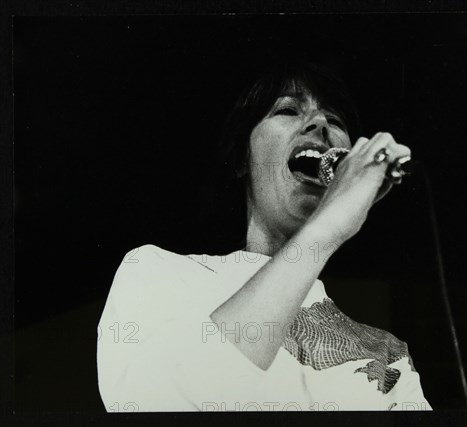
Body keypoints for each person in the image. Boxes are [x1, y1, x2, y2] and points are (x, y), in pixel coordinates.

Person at [97, 61, 432, 412]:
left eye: (335, 120)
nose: (320, 124)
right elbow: (165, 401)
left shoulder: (388, 354)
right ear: (242, 158)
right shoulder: (157, 272)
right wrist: (327, 227)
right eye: (287, 109)